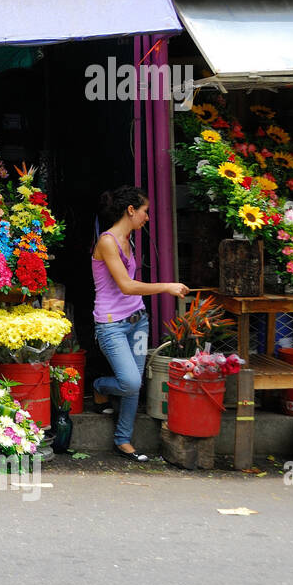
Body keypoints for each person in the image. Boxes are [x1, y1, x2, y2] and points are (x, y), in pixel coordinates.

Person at [91, 185, 188, 461]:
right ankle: (99, 386)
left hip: (138, 322)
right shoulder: (107, 242)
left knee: (135, 382)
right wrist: (167, 286)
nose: (147, 218)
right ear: (130, 210)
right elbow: (126, 285)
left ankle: (123, 440)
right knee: (131, 382)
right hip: (112, 325)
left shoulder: (129, 239)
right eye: (145, 212)